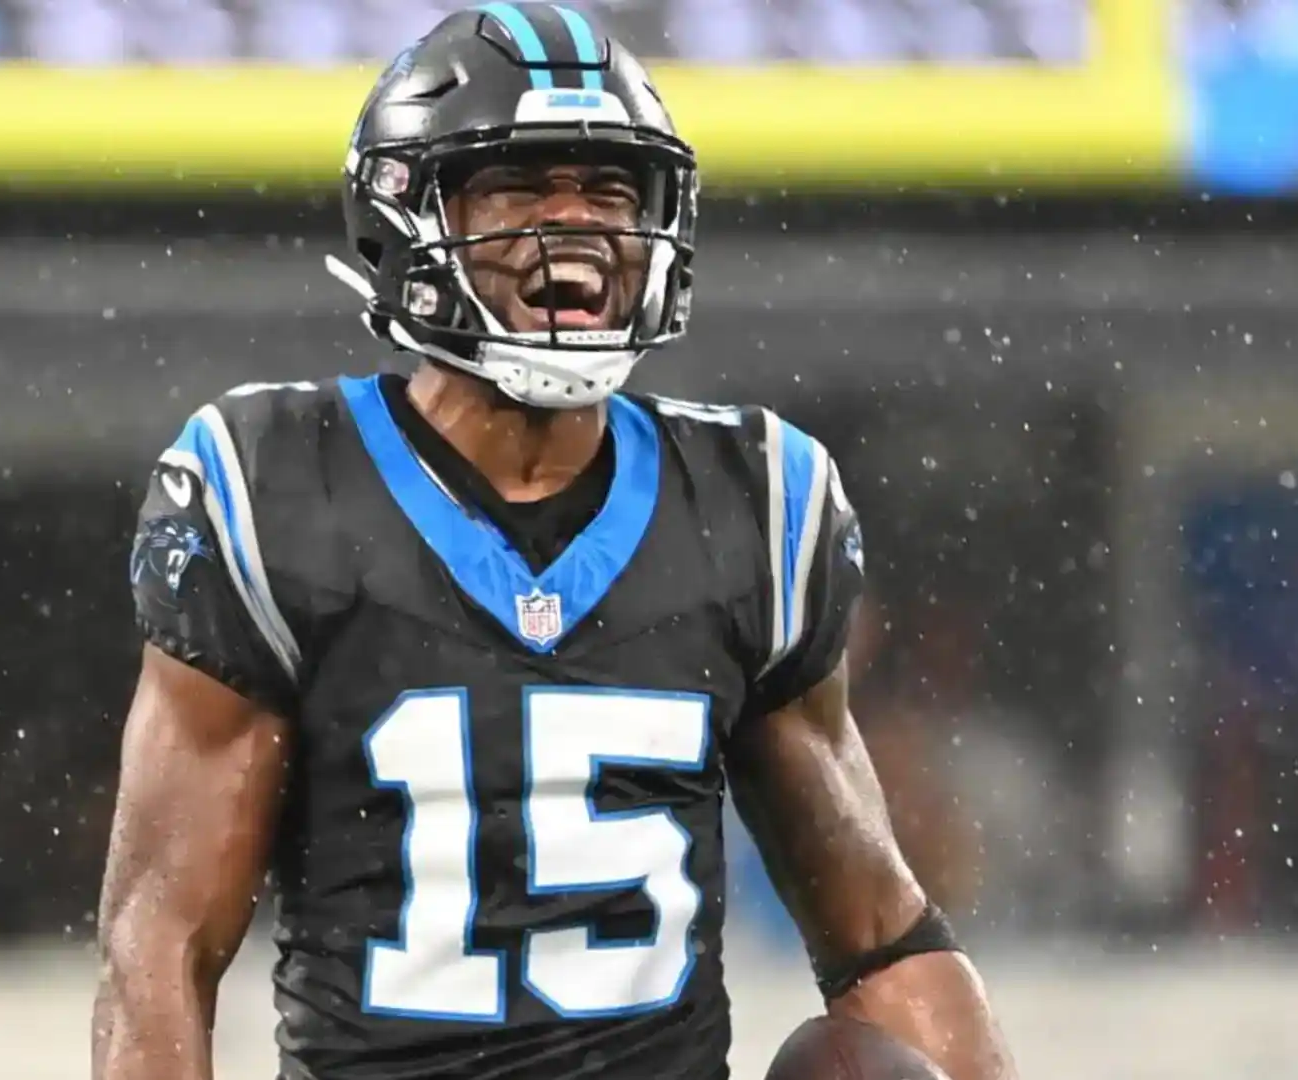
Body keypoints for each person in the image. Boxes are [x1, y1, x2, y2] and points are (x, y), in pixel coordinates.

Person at [92, 6, 1016, 1080]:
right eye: (523, 187)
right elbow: (159, 944)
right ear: (407, 214)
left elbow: (880, 935)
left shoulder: (755, 499)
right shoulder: (278, 486)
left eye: (611, 191)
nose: (575, 223)